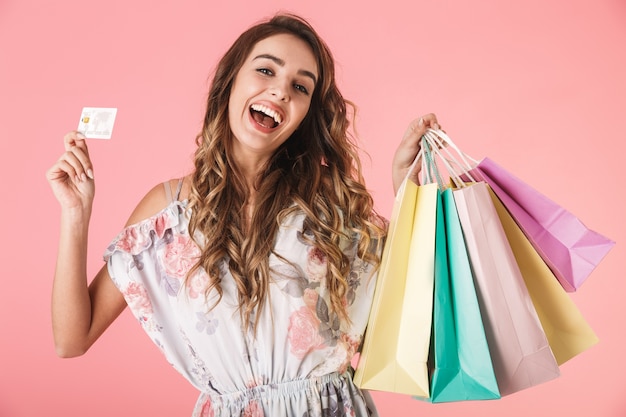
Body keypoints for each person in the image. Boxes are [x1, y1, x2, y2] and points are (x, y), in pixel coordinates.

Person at [46, 13, 441, 417]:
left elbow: (409, 312)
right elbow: (71, 340)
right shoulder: (166, 215)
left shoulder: (328, 201)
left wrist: (405, 193)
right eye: (266, 69)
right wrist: (75, 214)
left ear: (306, 113)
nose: (281, 91)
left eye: (300, 86)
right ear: (231, 80)